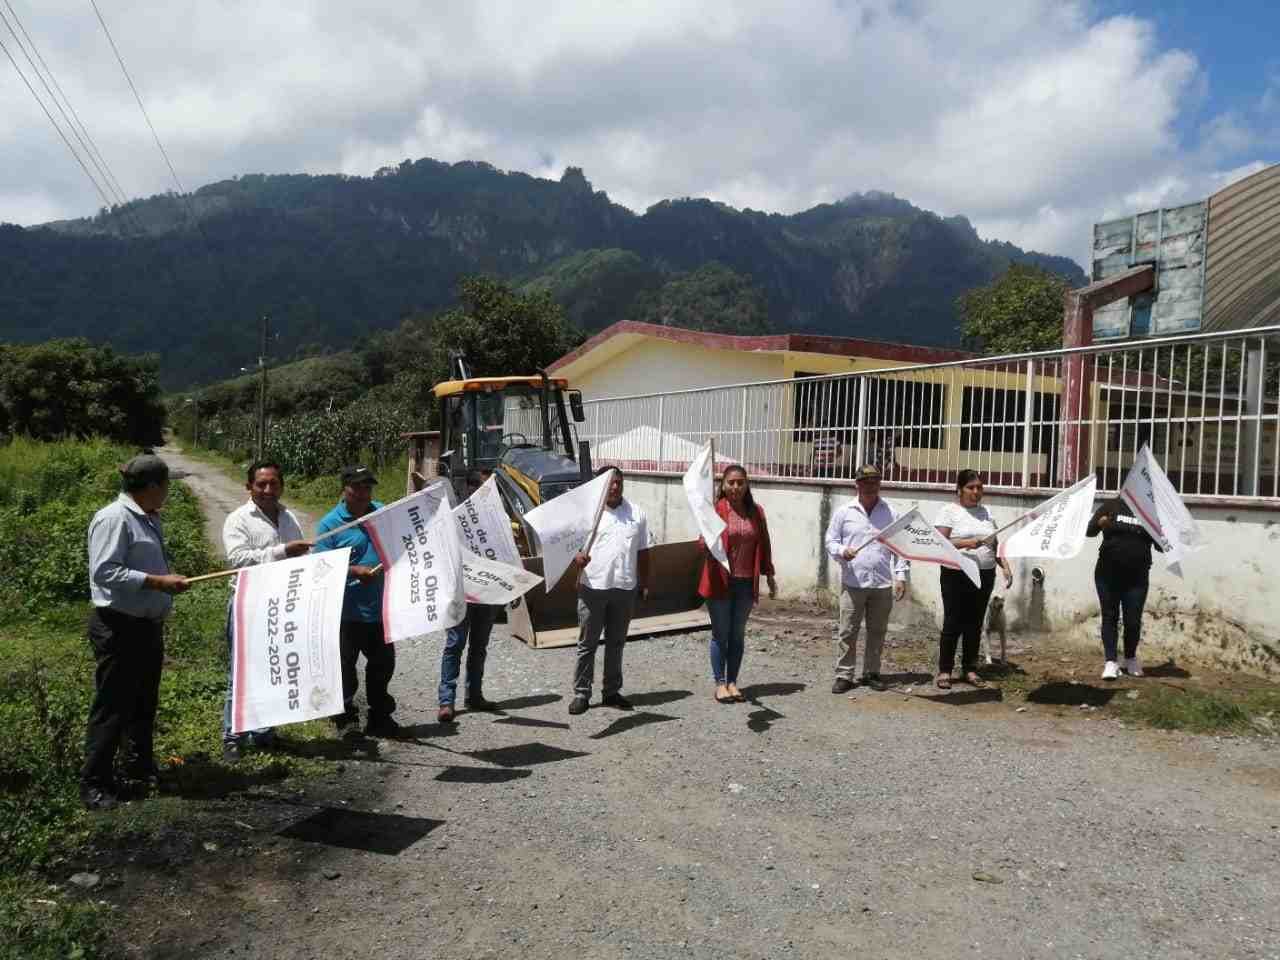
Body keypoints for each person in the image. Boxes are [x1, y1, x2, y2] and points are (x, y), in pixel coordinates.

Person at [81, 454, 190, 810]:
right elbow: (105, 572)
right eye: (167, 486)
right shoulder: (114, 519)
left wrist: (159, 587)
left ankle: (138, 768)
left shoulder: (147, 518)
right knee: (112, 707)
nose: (168, 493)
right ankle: (95, 784)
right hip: (119, 628)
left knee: (144, 702)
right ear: (154, 487)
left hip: (146, 627)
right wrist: (158, 582)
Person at [220, 461, 312, 760]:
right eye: (261, 484)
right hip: (249, 603)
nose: (268, 490)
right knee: (242, 669)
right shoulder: (238, 520)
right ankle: (233, 735)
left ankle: (263, 731)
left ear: (282, 486)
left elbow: (300, 559)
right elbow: (238, 560)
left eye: (274, 484)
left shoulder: (289, 518)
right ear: (249, 487)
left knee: (274, 666)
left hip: (281, 604)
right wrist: (282, 551)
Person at [315, 465, 399, 737]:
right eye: (357, 487)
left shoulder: (382, 513)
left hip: (380, 611)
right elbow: (319, 565)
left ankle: (379, 717)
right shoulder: (330, 524)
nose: (363, 493)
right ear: (345, 489)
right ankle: (346, 719)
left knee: (382, 666)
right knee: (344, 669)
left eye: (368, 487)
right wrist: (353, 571)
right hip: (346, 613)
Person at [567, 467, 652, 716]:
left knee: (616, 643)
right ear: (600, 485)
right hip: (593, 586)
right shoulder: (587, 514)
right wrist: (577, 557)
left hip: (624, 587)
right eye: (610, 483)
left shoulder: (636, 513)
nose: (615, 487)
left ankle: (611, 692)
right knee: (587, 644)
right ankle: (582, 693)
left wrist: (644, 583)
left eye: (619, 482)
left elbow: (644, 551)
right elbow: (569, 546)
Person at [824, 465, 908, 695]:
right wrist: (842, 550)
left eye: (874, 481)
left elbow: (901, 547)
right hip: (853, 582)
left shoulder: (891, 512)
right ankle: (844, 675)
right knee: (847, 631)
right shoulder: (845, 512)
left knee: (877, 630)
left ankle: (871, 672)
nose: (870, 486)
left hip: (882, 582)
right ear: (857, 484)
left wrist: (901, 576)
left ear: (879, 484)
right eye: (865, 481)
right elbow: (830, 540)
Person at [697, 464, 777, 703]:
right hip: (720, 581)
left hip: (745, 583)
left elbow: (764, 544)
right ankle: (719, 683)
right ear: (723, 485)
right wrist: (706, 543)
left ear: (747, 484)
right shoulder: (715, 510)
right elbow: (702, 543)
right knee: (720, 634)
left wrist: (769, 574)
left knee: (738, 635)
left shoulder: (757, 512)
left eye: (740, 482)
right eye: (731, 482)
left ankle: (733, 682)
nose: (735, 487)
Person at [932, 470, 1012, 689]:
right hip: (957, 573)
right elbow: (940, 541)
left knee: (974, 623)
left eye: (979, 487)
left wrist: (1004, 565)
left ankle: (970, 668)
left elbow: (994, 543)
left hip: (984, 573)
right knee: (953, 621)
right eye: (971, 487)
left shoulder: (987, 513)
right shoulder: (949, 511)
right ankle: (945, 670)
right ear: (959, 490)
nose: (976, 491)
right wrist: (968, 543)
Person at [438, 470, 500, 722]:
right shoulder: (453, 516)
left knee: (479, 646)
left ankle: (474, 695)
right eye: (479, 485)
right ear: (469, 487)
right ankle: (446, 701)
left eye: (488, 487)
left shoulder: (498, 517)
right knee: (454, 645)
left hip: (487, 593)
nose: (483, 491)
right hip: (460, 593)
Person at [1087, 497, 1162, 680]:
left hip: (1137, 577)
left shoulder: (1150, 511)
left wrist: (1160, 531)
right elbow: (1090, 531)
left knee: (1133, 620)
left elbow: (1161, 547)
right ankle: (1111, 662)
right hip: (1107, 574)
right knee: (1110, 616)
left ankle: (1130, 659)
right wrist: (1100, 522)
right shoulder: (1111, 505)